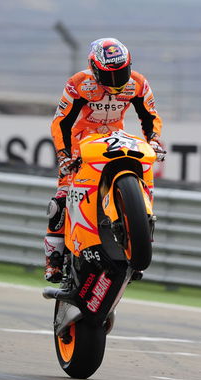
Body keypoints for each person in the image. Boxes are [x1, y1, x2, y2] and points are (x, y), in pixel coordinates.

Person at [44, 37, 164, 283]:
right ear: (94, 68)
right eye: (109, 75)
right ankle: (53, 260)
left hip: (116, 140)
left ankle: (136, 236)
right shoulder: (78, 84)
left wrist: (154, 139)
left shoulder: (138, 83)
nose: (116, 81)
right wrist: (64, 155)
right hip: (81, 146)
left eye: (122, 72)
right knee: (61, 199)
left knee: (141, 172)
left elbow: (150, 116)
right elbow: (61, 122)